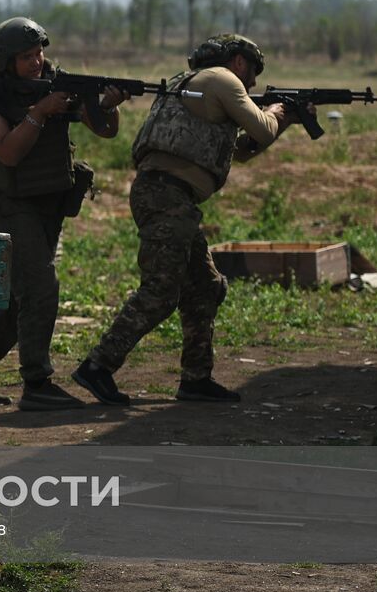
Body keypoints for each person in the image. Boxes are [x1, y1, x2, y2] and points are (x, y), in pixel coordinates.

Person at [72, 34, 292, 406]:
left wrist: (280, 118)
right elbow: (262, 129)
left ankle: (196, 378)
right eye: (252, 72)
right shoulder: (223, 79)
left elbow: (240, 151)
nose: (252, 83)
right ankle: (98, 366)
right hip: (167, 195)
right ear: (238, 62)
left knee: (205, 287)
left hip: (170, 196)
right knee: (160, 290)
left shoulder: (191, 84)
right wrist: (282, 112)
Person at [0, 17, 129, 411]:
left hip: (50, 201)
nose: (38, 61)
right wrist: (40, 112)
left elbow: (104, 130)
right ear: (5, 61)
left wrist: (105, 104)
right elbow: (7, 151)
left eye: (40, 53)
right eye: (26, 56)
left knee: (23, 298)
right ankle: (37, 383)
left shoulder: (56, 82)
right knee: (40, 288)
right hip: (11, 203)